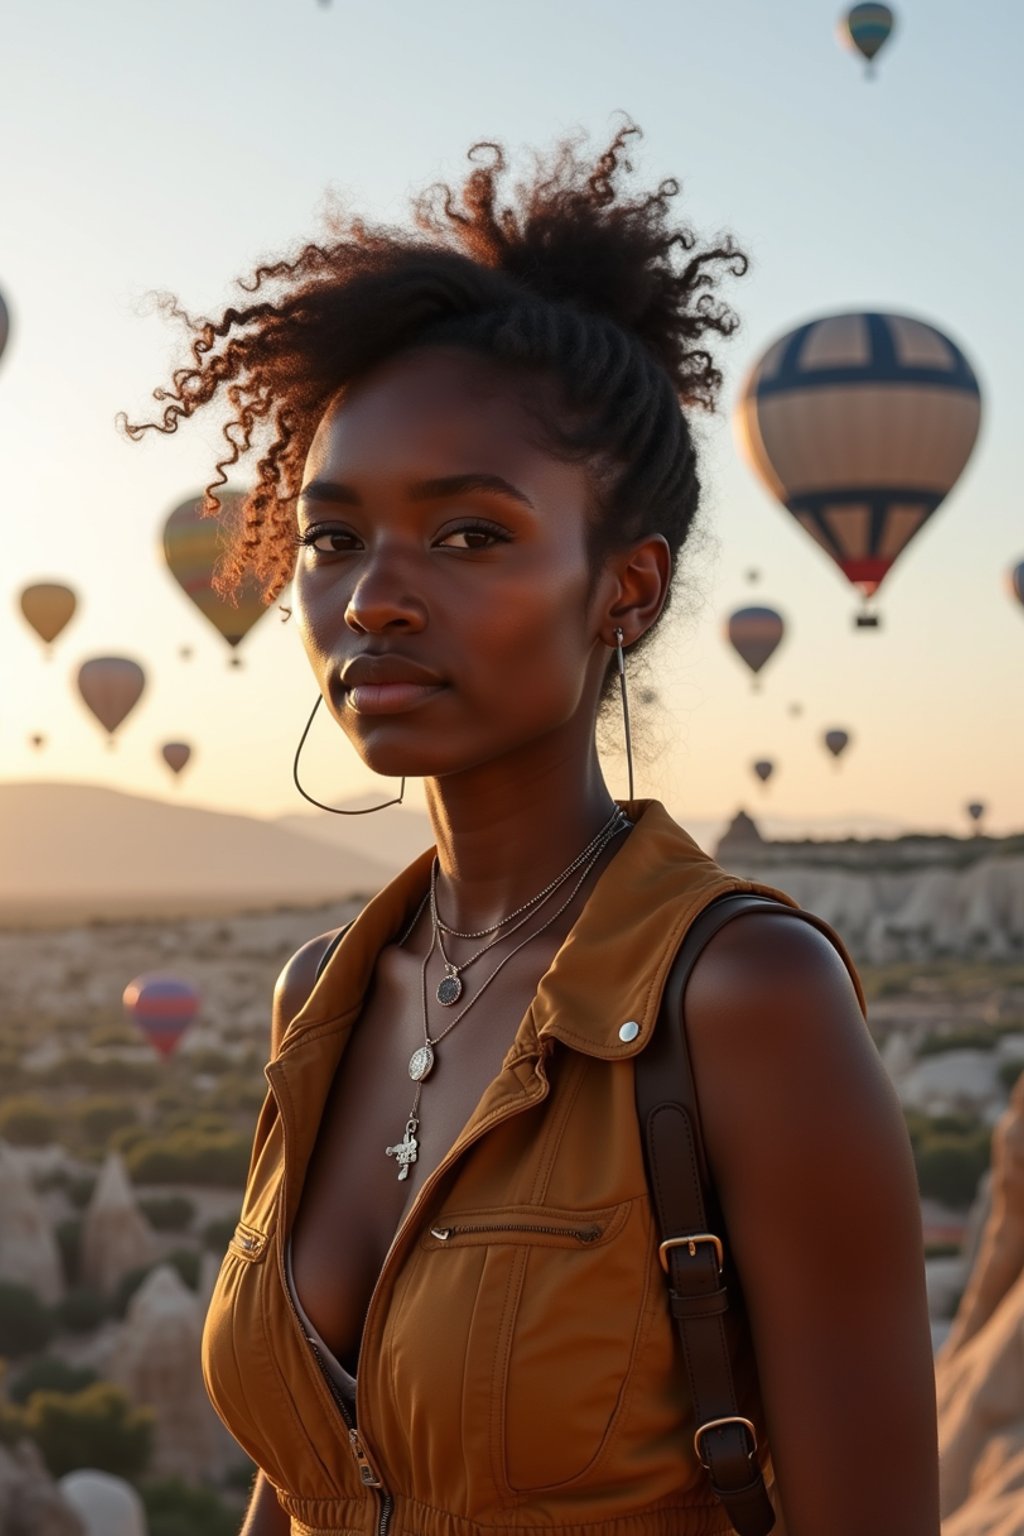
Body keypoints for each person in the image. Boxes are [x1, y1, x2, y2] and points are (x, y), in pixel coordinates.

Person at [123, 120, 940, 1536]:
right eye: (332, 538)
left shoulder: (744, 1002)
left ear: (625, 589)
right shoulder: (322, 995)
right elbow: (306, 1476)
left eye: (468, 535)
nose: (372, 595)